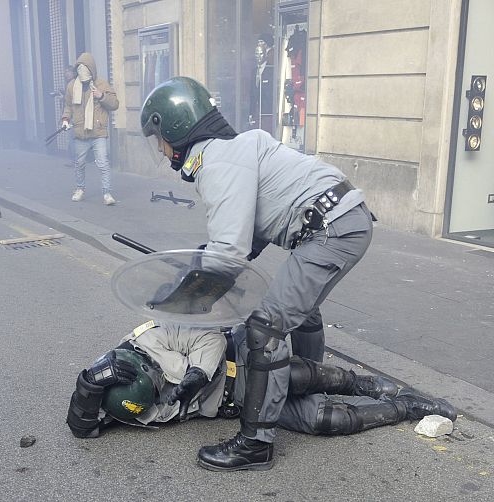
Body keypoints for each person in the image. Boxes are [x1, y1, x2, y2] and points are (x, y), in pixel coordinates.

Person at [139, 76, 376, 471]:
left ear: (176, 128)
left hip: (331, 228)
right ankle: (302, 392)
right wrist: (198, 272)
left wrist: (190, 296)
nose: (161, 151)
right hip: (340, 220)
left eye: (158, 138)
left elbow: (229, 253)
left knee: (266, 327)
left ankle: (255, 443)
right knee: (299, 310)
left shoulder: (217, 161)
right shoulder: (228, 152)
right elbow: (246, 239)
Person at [66, 320, 456, 454]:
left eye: (154, 385)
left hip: (242, 363)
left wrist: (192, 380)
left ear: (143, 366)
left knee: (304, 377)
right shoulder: (119, 401)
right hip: (238, 404)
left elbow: (211, 341)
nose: (158, 397)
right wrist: (87, 385)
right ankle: (407, 408)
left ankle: (372, 385)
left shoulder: (151, 337)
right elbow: (83, 428)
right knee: (325, 419)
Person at [62, 53, 119, 205]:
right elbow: (68, 106)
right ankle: (80, 189)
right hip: (80, 132)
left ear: (92, 69)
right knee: (79, 163)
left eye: (85, 68)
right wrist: (66, 120)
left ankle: (107, 193)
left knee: (103, 163)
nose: (82, 71)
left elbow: (114, 104)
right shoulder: (72, 86)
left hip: (98, 132)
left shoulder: (101, 84)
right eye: (79, 68)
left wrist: (101, 96)